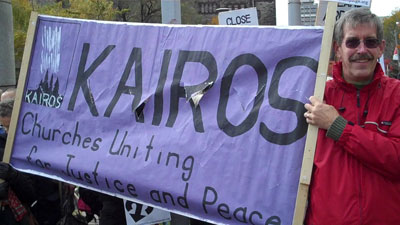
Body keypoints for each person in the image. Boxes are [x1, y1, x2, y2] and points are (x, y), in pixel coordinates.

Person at [303, 8, 400, 224]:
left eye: (371, 42)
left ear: (381, 48)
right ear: (338, 49)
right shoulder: (316, 96)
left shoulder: (397, 95)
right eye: (352, 42)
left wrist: (338, 127)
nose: (362, 49)